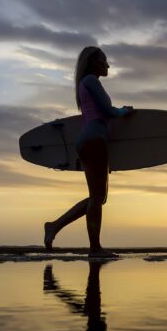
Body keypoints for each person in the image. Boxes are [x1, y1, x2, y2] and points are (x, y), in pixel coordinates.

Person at [44, 47, 133, 258]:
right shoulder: (91, 81)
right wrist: (125, 111)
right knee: (97, 198)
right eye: (104, 61)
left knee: (98, 197)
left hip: (88, 140)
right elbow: (109, 112)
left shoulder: (84, 85)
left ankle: (54, 226)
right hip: (94, 140)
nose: (108, 65)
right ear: (93, 62)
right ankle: (94, 247)